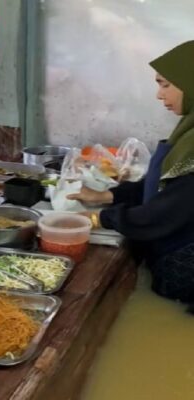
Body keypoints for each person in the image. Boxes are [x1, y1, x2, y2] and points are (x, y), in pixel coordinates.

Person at [68, 41, 194, 304]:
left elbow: (163, 213)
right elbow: (163, 186)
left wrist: (97, 219)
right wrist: (106, 197)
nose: (159, 95)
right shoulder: (187, 131)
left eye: (166, 84)